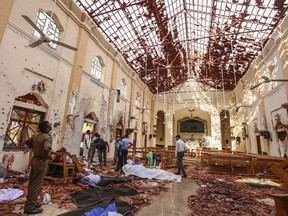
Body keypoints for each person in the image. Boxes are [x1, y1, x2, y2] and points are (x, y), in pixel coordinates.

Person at [23, 121, 52, 214]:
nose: (51, 126)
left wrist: (35, 149)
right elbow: (47, 148)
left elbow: (27, 142)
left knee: (32, 181)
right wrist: (44, 159)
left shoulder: (36, 135)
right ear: (47, 129)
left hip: (34, 159)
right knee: (37, 184)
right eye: (50, 125)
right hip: (40, 161)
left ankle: (32, 201)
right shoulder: (47, 137)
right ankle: (30, 207)